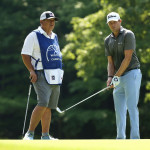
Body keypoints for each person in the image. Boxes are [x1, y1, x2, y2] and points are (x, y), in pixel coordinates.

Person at [21, 11, 64, 140]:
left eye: (53, 20)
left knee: (49, 106)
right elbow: (25, 54)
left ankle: (45, 135)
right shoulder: (33, 36)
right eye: (49, 20)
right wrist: (31, 70)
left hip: (55, 75)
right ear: (42, 22)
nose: (52, 22)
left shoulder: (54, 36)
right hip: (40, 73)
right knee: (43, 102)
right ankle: (30, 133)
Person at [105, 12, 142, 139]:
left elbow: (127, 58)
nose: (112, 24)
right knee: (119, 109)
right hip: (118, 77)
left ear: (120, 21)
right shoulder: (107, 40)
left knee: (132, 107)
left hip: (132, 73)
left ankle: (135, 139)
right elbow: (110, 62)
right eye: (110, 23)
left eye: (115, 22)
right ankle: (120, 139)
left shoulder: (128, 34)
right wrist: (110, 77)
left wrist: (116, 77)